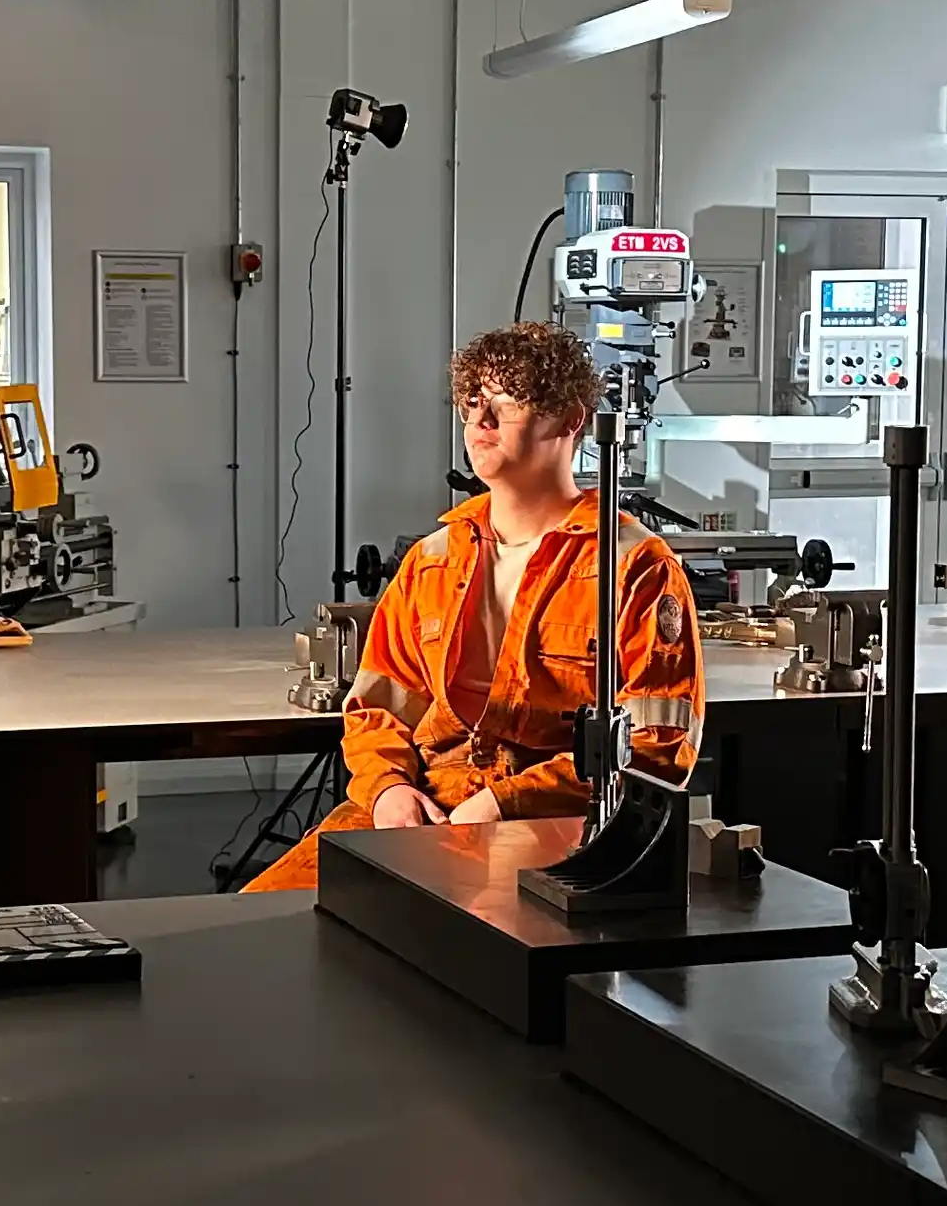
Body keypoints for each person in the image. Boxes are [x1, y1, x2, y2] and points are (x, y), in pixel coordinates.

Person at [249, 321, 702, 894]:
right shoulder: (432, 561)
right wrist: (389, 791)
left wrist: (503, 803)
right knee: (260, 921)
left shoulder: (632, 567)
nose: (479, 424)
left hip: (555, 824)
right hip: (423, 811)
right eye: (471, 405)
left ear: (569, 420)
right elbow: (379, 711)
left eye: (504, 406)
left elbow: (660, 748)